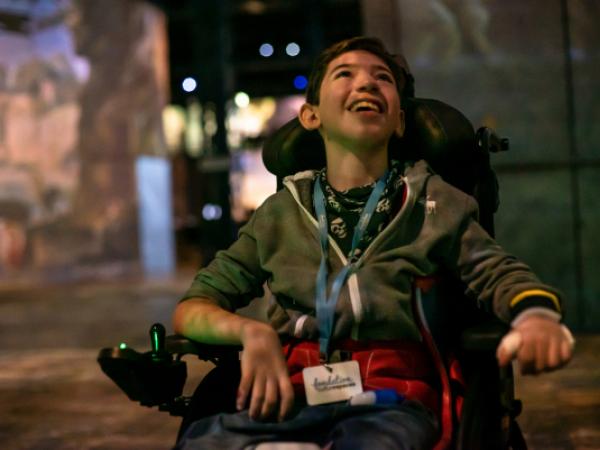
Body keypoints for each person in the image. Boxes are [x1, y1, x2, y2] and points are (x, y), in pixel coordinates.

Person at [172, 36, 574, 449]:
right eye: (345, 74)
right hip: (290, 396)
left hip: (392, 400)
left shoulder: (436, 203)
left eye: (381, 78)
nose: (366, 84)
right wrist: (252, 334)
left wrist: (536, 316)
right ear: (310, 116)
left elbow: (499, 272)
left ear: (399, 120)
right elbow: (193, 307)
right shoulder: (279, 214)